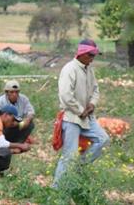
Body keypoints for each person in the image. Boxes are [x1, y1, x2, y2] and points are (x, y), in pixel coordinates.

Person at [53, 39, 110, 187]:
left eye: (94, 56)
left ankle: (77, 168)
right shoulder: (69, 69)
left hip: (87, 116)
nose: (92, 59)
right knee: (69, 156)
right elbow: (66, 96)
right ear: (82, 54)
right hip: (72, 117)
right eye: (91, 55)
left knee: (102, 139)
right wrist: (80, 110)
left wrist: (92, 104)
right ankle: (56, 189)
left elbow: (96, 90)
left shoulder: (89, 69)